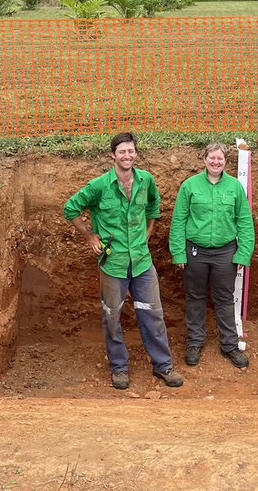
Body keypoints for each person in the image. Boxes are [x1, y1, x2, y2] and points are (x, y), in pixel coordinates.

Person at [63, 131, 183, 391]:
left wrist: (148, 234)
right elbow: (70, 208)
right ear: (113, 155)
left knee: (153, 314)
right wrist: (89, 236)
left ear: (135, 154)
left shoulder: (146, 180)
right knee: (112, 318)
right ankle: (119, 368)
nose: (127, 156)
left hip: (141, 262)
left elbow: (153, 207)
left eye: (131, 151)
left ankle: (163, 366)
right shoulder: (99, 186)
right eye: (122, 152)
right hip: (113, 263)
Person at [169, 142, 256, 368]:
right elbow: (178, 220)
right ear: (204, 159)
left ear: (226, 162)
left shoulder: (235, 187)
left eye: (220, 159)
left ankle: (230, 345)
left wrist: (243, 254)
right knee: (195, 298)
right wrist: (179, 253)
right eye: (212, 158)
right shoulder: (189, 186)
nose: (216, 162)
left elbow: (244, 221)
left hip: (225, 253)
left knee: (225, 299)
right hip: (195, 252)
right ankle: (195, 342)